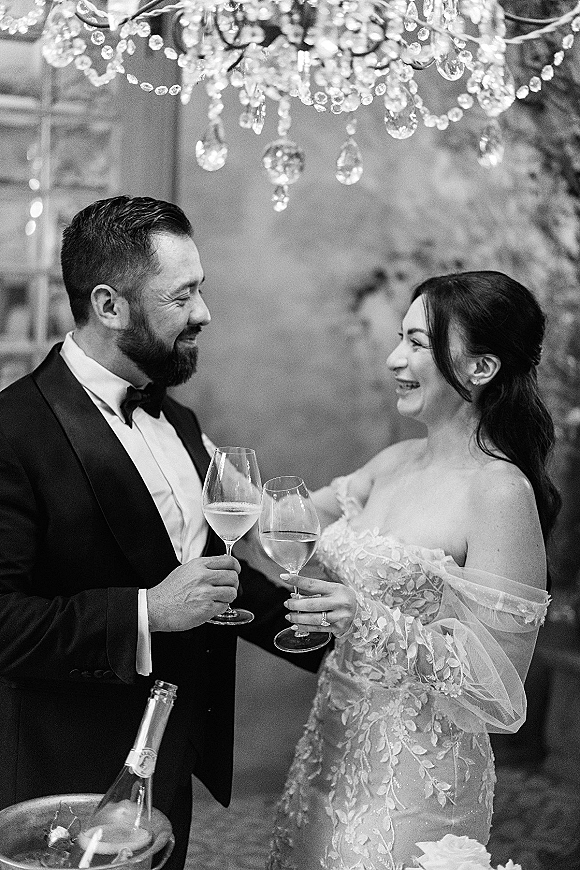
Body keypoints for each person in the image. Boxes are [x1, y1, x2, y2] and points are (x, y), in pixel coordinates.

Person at [0, 195, 346, 870]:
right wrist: (148, 610)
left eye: (201, 290)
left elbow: (206, 574)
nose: (204, 314)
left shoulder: (180, 422)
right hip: (60, 774)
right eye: (182, 295)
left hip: (168, 758)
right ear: (109, 306)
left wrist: (336, 642)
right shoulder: (12, 433)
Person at [266, 271, 560, 870]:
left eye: (419, 343)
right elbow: (283, 525)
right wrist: (190, 458)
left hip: (413, 777)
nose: (395, 359)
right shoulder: (395, 461)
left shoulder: (500, 494)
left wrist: (364, 617)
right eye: (401, 338)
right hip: (329, 744)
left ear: (480, 369)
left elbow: (498, 688)